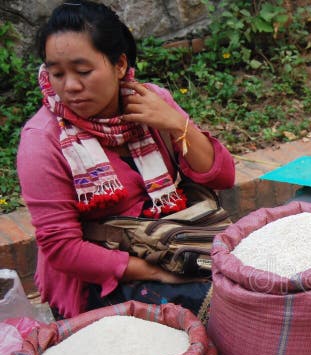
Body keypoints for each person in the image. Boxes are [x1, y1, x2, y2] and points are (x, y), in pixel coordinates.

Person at [17, 1, 236, 319]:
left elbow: (222, 177)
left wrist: (176, 124)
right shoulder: (43, 139)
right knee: (223, 308)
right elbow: (63, 249)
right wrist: (157, 273)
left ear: (119, 65)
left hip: (176, 244)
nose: (70, 87)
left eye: (83, 71)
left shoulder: (152, 104)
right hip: (102, 279)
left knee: (252, 287)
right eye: (57, 74)